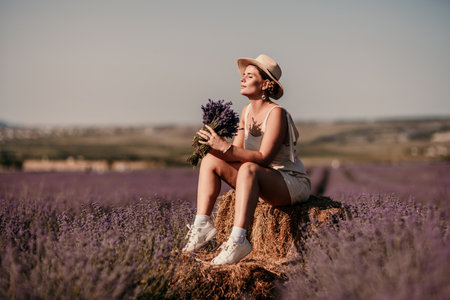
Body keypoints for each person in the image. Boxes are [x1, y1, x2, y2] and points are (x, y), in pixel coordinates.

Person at [182, 54, 311, 265]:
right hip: (258, 179)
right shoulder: (246, 111)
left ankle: (239, 239)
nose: (242, 79)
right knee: (210, 160)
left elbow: (263, 158)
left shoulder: (276, 113)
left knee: (250, 168)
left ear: (266, 84)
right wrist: (212, 143)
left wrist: (226, 147)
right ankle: (202, 225)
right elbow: (237, 152)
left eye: (249, 76)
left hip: (288, 182)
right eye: (243, 75)